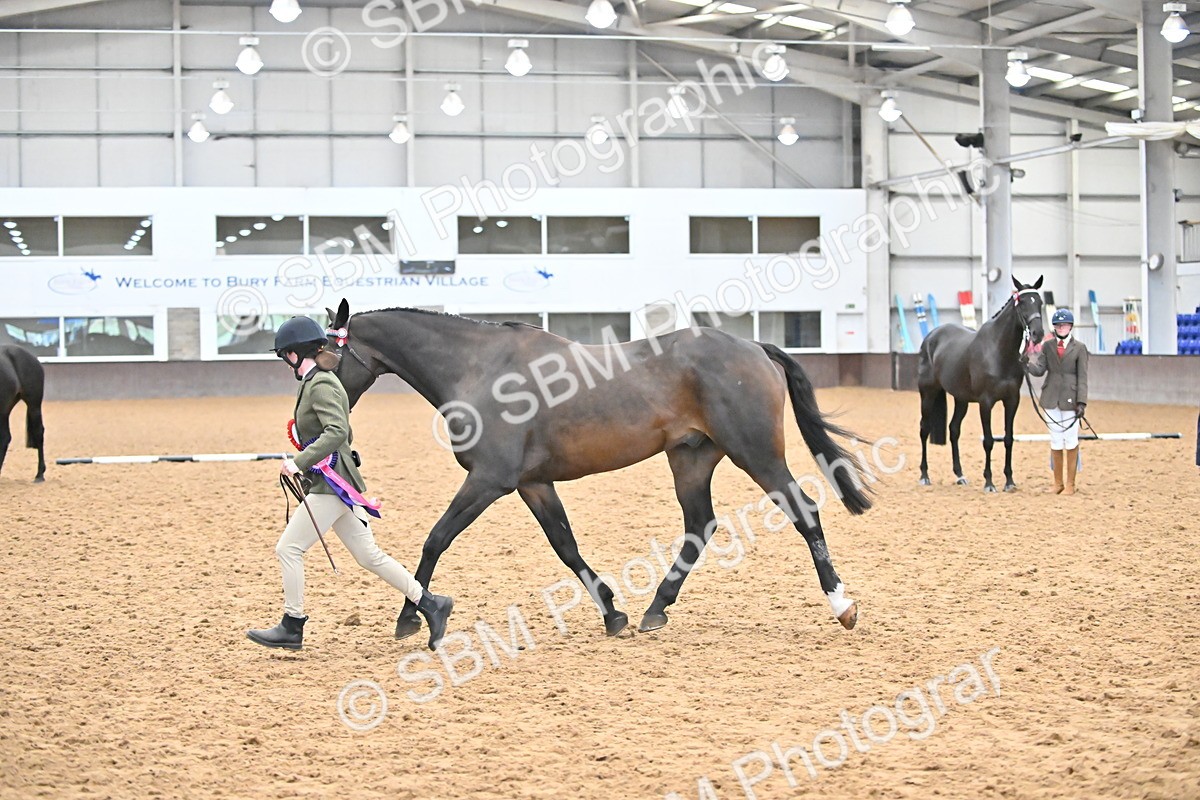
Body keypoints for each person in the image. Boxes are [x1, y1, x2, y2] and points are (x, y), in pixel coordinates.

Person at [247, 316, 453, 651]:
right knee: (368, 555)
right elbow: (338, 433)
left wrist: (299, 462)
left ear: (295, 354)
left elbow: (338, 432)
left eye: (286, 355)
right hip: (332, 480)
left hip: (333, 483)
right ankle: (431, 604)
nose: (285, 361)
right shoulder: (315, 382)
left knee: (288, 548)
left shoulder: (322, 384)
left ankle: (292, 624)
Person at [1021, 308, 1089, 495]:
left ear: (1070, 327)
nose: (1062, 328)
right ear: (1055, 327)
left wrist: (1081, 402)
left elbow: (1082, 377)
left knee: (1071, 439)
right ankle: (1057, 483)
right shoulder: (1048, 346)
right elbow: (1040, 370)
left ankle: (1070, 484)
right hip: (1051, 397)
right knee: (1056, 440)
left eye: (1065, 325)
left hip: (1070, 398)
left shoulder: (1080, 348)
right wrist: (1026, 364)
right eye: (1058, 325)